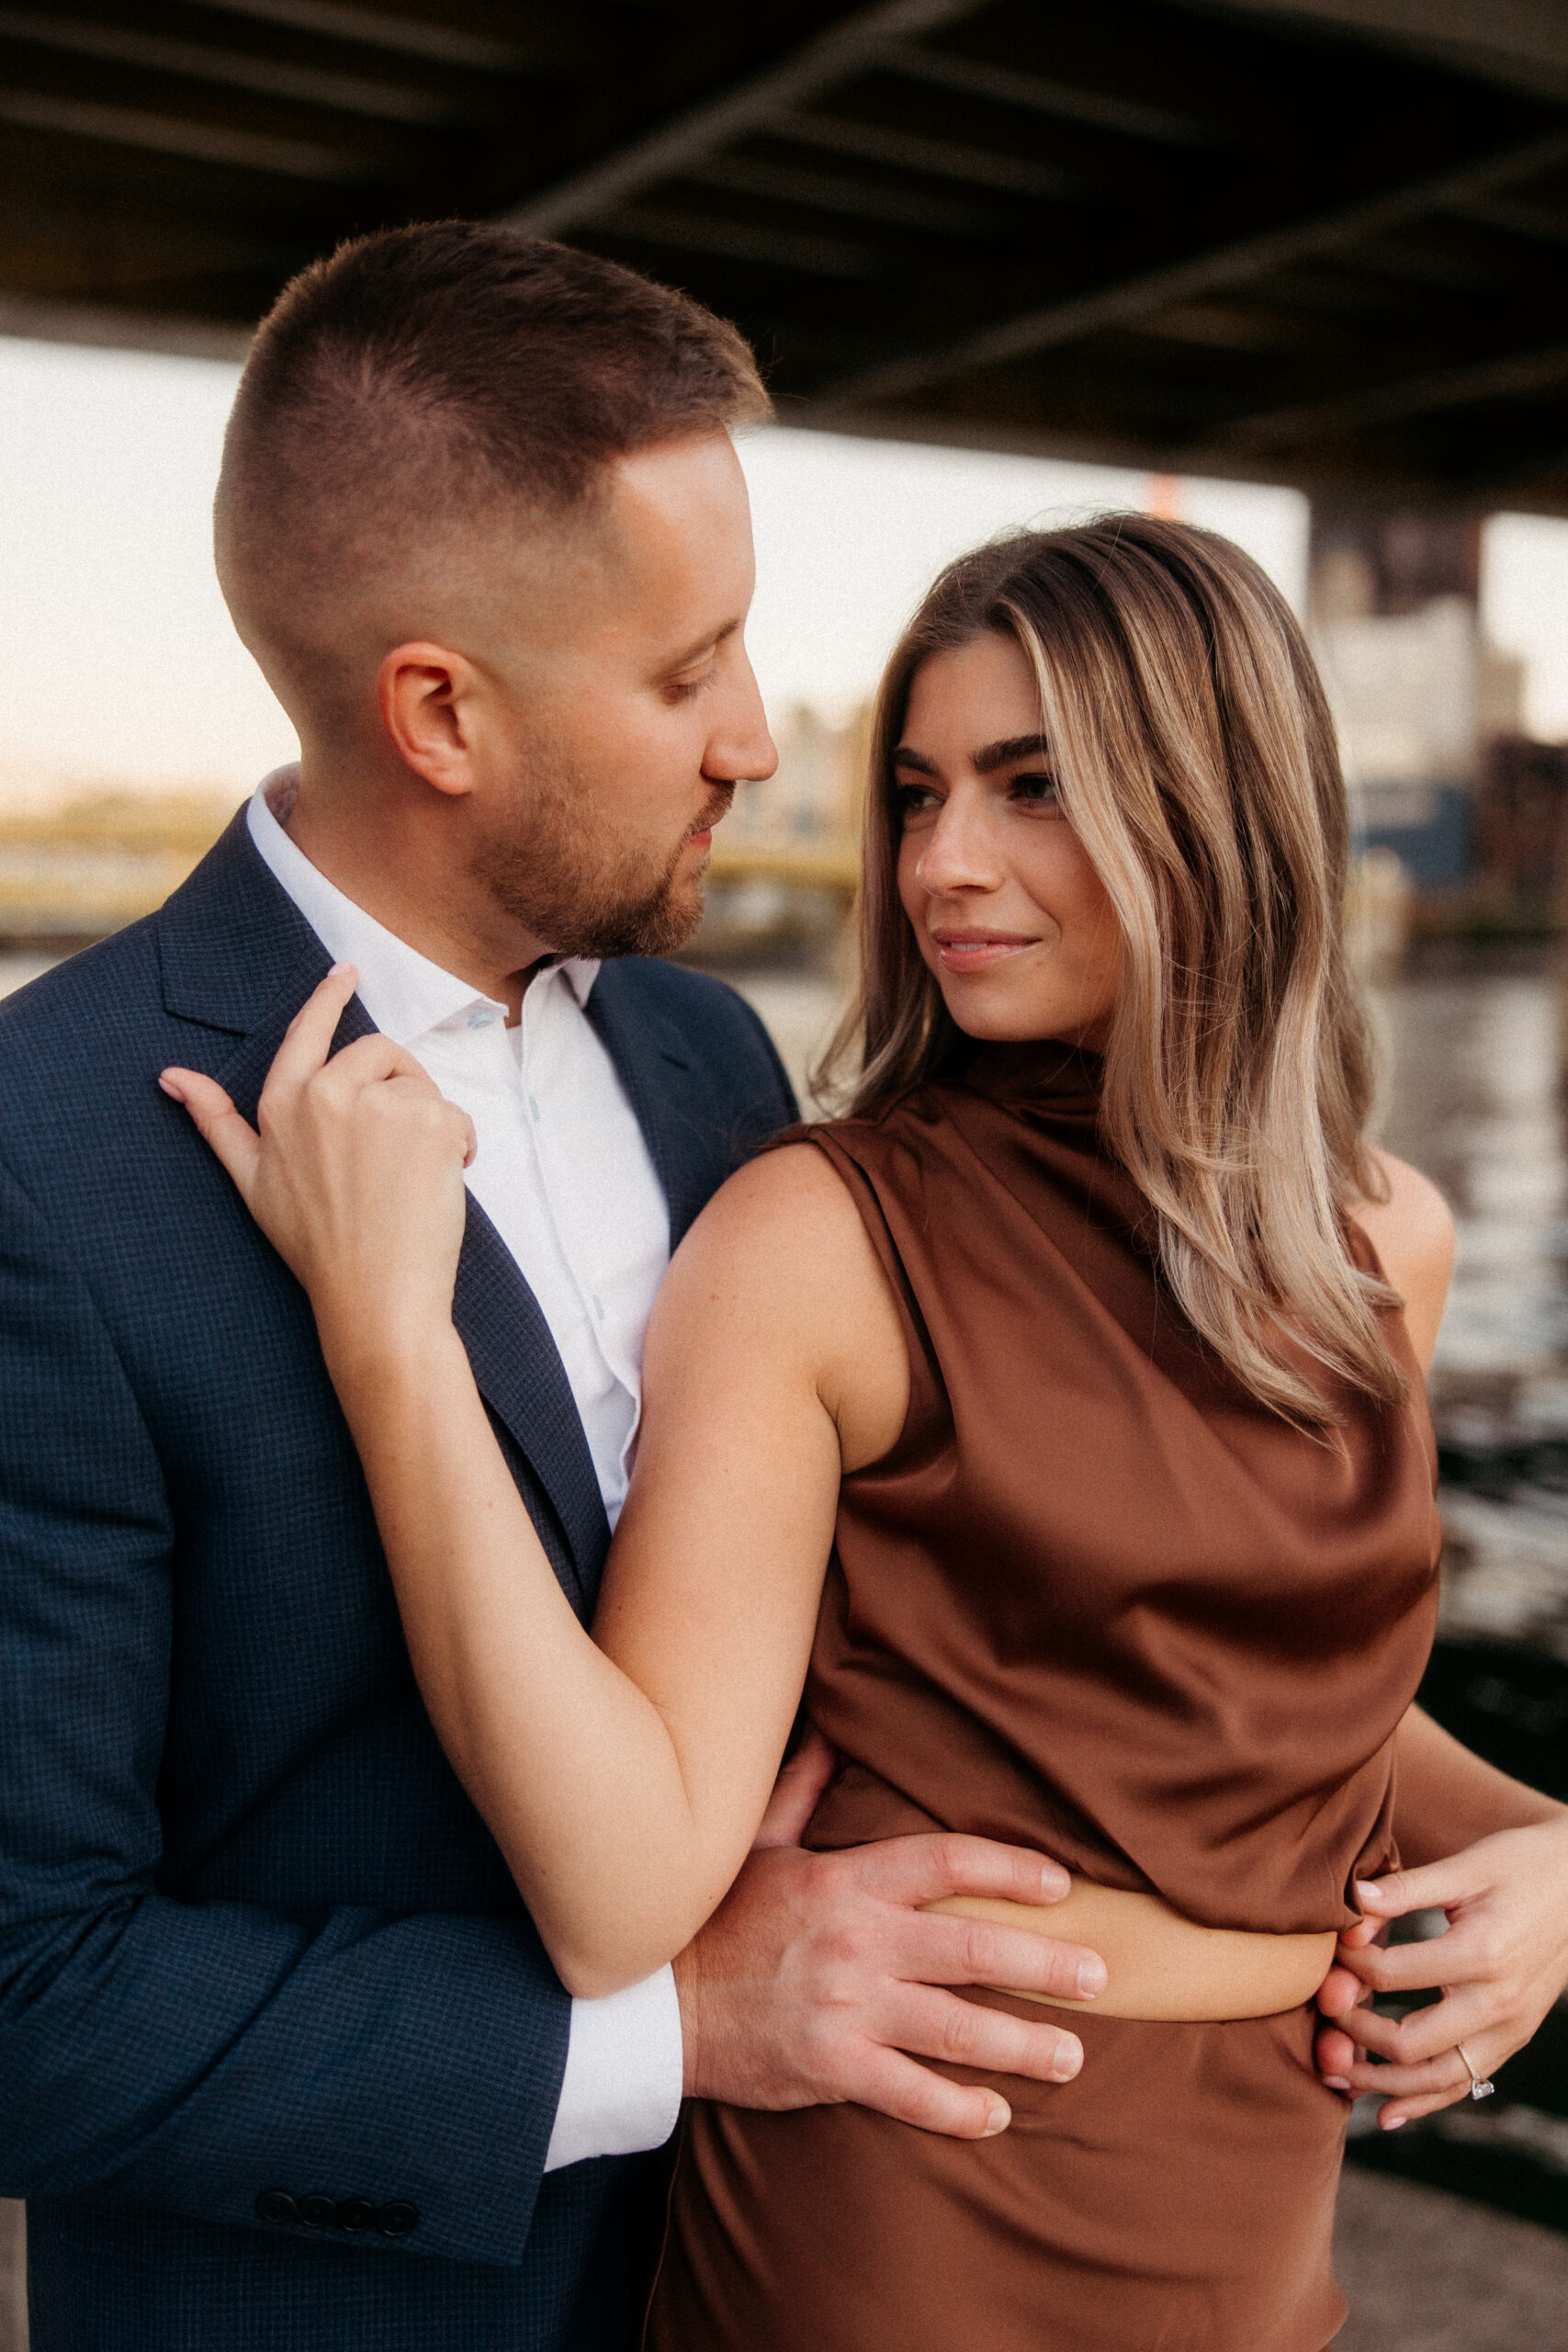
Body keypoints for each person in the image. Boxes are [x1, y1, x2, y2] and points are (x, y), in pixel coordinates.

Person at [172, 513, 1568, 2351]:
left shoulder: (1377, 1232)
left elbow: (1261, 1687)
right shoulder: (820, 1238)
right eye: (915, 792)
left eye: (1028, 784)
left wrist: (1548, 1846)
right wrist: (389, 1340)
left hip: (1255, 2197)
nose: (942, 865)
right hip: (911, 2202)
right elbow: (618, 1887)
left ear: (1214, 806)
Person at [0, 228, 1116, 2352]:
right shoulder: (40, 1165)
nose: (758, 746)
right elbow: (20, 1996)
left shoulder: (703, 1055)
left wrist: (1481, 1840)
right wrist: (677, 2023)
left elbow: (957, 1580)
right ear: (440, 708)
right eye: (688, 668)